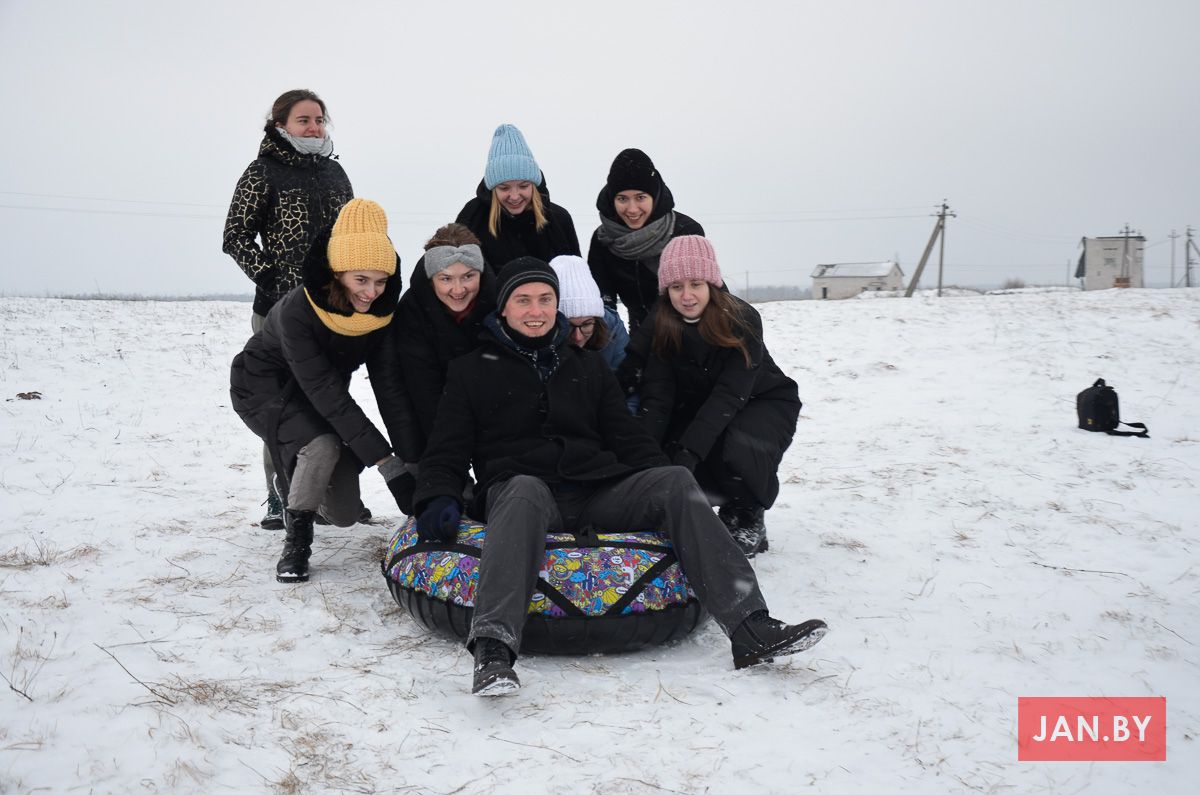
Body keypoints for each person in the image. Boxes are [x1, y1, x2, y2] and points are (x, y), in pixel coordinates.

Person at [411, 257, 827, 696]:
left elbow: (627, 438)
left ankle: (751, 627)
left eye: (546, 300)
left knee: (674, 482)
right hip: (525, 493)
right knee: (522, 489)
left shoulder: (586, 365)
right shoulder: (470, 370)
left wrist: (663, 473)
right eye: (523, 300)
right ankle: (494, 650)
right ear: (503, 308)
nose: (536, 311)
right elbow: (446, 450)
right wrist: (437, 498)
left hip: (597, 490)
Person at [230, 199, 413, 583]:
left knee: (344, 515)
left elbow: (390, 389)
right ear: (337, 272)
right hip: (265, 387)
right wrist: (384, 463)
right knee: (323, 445)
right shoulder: (299, 310)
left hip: (319, 395)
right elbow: (326, 391)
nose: (371, 292)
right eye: (360, 280)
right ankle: (296, 541)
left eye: (380, 281)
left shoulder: (378, 317)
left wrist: (407, 463)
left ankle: (299, 484)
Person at [223, 89, 355, 530]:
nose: (314, 128)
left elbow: (350, 237)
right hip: (278, 313)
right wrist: (271, 278)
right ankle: (280, 496)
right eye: (304, 120)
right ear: (280, 125)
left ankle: (330, 496)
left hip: (332, 313)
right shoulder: (263, 171)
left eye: (319, 120)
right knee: (281, 406)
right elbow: (235, 236)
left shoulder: (335, 173)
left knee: (331, 398)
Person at [638, 236, 801, 558]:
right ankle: (699, 509)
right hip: (703, 405)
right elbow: (658, 396)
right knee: (670, 450)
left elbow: (730, 394)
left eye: (696, 284)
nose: (686, 296)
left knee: (736, 448)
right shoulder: (663, 325)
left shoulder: (741, 319)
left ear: (711, 283)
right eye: (676, 287)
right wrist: (644, 454)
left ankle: (747, 512)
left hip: (761, 401)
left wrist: (690, 452)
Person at [372, 224, 498, 511]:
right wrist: (422, 459)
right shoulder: (411, 312)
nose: (458, 289)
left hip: (490, 418)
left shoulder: (498, 302)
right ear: (431, 279)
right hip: (428, 418)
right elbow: (414, 391)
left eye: (468, 276)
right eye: (446, 279)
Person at [587, 149, 704, 332]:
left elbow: (702, 295)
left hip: (689, 332)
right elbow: (603, 304)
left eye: (640, 197)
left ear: (655, 197)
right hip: (639, 333)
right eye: (622, 199)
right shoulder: (603, 240)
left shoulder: (685, 233)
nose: (632, 209)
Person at [455, 124, 580, 268]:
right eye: (504, 188)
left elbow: (577, 274)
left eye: (523, 186)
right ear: (493, 188)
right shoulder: (473, 217)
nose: (514, 197)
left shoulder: (559, 219)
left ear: (534, 185)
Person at [549, 255, 629, 370]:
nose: (578, 337)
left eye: (586, 324)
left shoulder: (612, 330)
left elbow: (624, 373)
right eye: (568, 326)